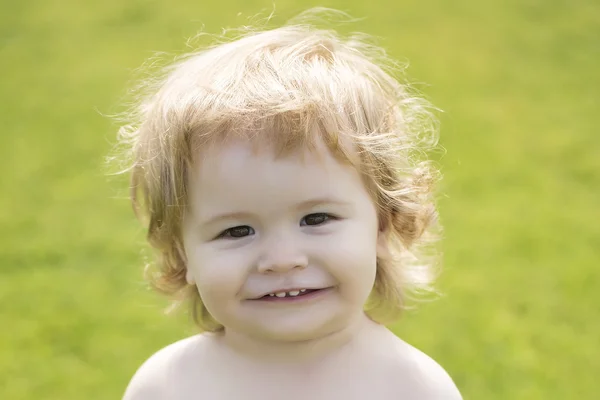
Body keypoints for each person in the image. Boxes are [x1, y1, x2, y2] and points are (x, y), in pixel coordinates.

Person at [116, 9, 462, 400]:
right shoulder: (167, 386)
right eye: (236, 230)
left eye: (316, 218)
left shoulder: (411, 387)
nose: (282, 259)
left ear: (383, 224)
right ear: (183, 255)